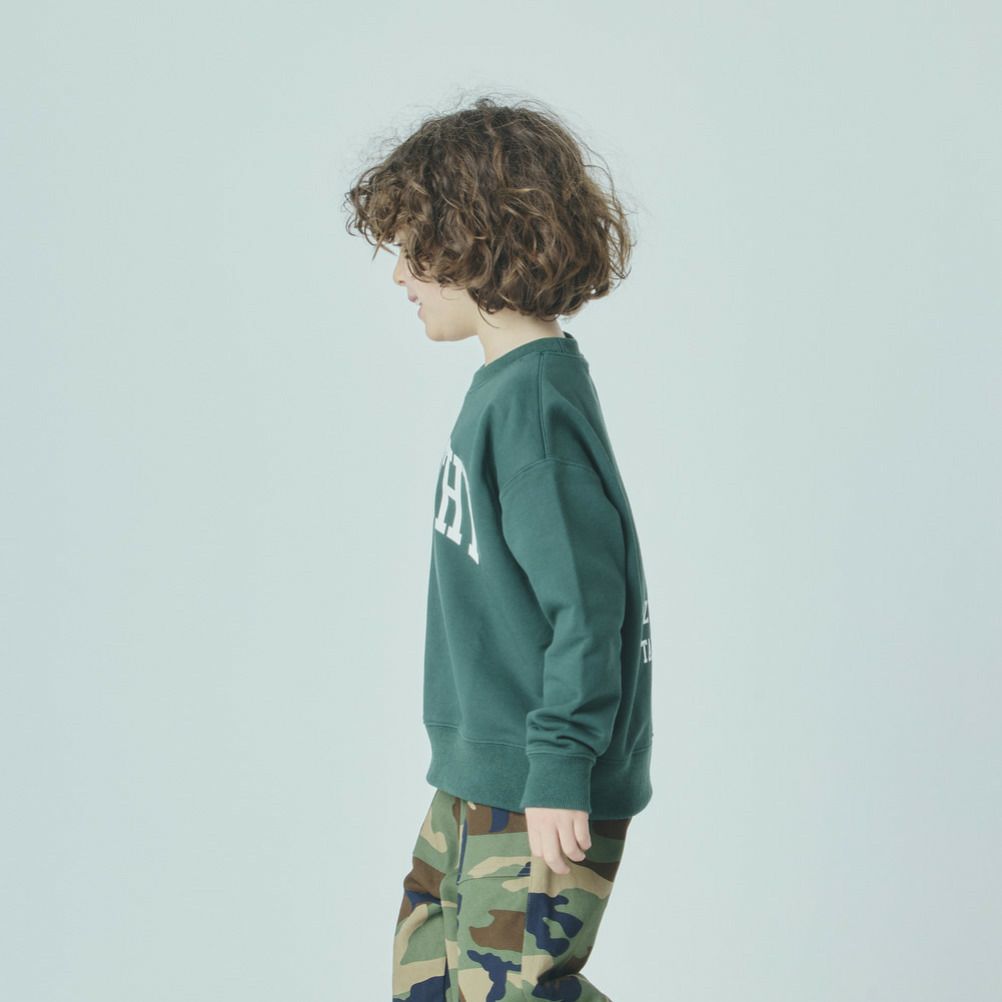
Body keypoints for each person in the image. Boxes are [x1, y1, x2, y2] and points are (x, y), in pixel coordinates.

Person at [344, 95, 654, 1002]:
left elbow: (588, 609)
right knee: (428, 980)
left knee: (511, 992)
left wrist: (558, 768)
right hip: (481, 767)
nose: (399, 275)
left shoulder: (535, 412)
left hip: (538, 778)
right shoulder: (504, 389)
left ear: (470, 245)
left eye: (412, 250)